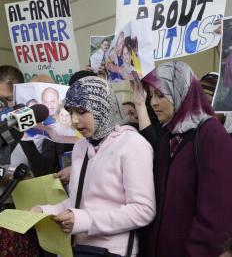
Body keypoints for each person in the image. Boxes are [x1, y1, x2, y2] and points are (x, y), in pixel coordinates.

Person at [31, 75, 156, 257]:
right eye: (71, 112)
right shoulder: (81, 146)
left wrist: (86, 220)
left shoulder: (132, 144)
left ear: (102, 108)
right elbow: (79, 201)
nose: (74, 120)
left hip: (112, 252)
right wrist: (45, 211)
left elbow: (143, 210)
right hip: (75, 250)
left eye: (81, 112)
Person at [132, 61, 232, 257]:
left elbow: (216, 213)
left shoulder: (211, 134)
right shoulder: (169, 135)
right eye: (152, 95)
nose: (153, 102)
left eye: (161, 95)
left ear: (182, 91)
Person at [0, 65, 40, 257]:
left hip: (25, 218)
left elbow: (46, 170)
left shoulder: (36, 128)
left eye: (8, 99)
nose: (4, 106)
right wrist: (8, 175)